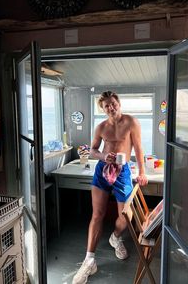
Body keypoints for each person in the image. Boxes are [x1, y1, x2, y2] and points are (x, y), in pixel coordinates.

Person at [72, 91, 148, 284]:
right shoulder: (101, 127)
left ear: (118, 103)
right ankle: (89, 260)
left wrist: (142, 172)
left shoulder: (131, 122)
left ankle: (115, 237)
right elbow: (93, 150)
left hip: (122, 172)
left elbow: (138, 148)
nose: (111, 107)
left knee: (126, 217)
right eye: (106, 106)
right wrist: (103, 157)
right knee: (97, 214)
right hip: (103, 170)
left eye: (113, 103)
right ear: (103, 109)